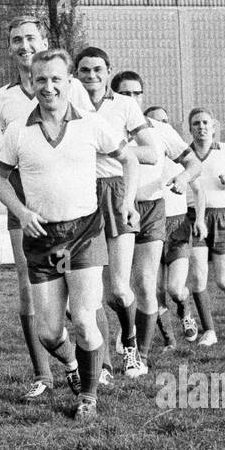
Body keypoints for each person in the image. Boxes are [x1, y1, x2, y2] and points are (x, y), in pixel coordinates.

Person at [0, 49, 141, 421]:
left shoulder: (89, 124)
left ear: (68, 81)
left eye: (56, 79)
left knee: (85, 320)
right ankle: (74, 366)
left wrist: (128, 201)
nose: (49, 87)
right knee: (49, 333)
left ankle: (88, 397)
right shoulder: (17, 131)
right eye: (41, 79)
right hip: (42, 239)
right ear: (33, 82)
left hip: (83, 234)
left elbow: (129, 158)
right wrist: (21, 212)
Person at [0, 17, 92, 402]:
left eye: (31, 37)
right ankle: (44, 373)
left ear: (44, 40)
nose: (24, 44)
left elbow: (90, 138)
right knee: (28, 289)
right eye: (16, 39)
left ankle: (99, 370)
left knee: (83, 291)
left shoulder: (71, 86)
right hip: (23, 203)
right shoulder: (3, 97)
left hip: (74, 209)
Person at [72, 50, 159, 382]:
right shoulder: (70, 105)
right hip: (80, 194)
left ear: (108, 72)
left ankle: (132, 346)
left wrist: (109, 147)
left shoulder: (124, 105)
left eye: (97, 69)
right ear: (75, 74)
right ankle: (103, 364)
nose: (91, 75)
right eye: (83, 70)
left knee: (119, 290)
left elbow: (151, 152)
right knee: (89, 291)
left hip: (116, 192)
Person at [109, 74, 200, 372]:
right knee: (114, 290)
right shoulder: (104, 124)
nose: (132, 98)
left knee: (146, 284)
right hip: (113, 206)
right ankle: (125, 336)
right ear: (115, 96)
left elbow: (193, 162)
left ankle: (140, 356)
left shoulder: (159, 130)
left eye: (137, 93)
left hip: (151, 208)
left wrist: (183, 178)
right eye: (125, 93)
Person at [181, 107, 225, 347]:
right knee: (198, 277)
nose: (201, 127)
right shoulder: (184, 154)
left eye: (205, 123)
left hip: (224, 217)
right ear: (189, 128)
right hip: (193, 218)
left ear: (213, 127)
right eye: (196, 124)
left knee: (222, 279)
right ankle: (209, 331)